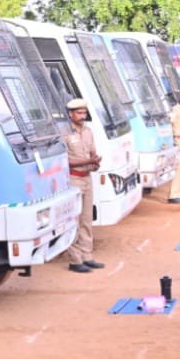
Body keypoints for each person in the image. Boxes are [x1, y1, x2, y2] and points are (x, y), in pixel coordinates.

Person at [63, 98, 104, 273]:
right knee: (74, 220)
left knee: (87, 219)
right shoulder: (64, 133)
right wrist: (88, 160)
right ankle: (75, 259)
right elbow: (65, 161)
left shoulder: (88, 131)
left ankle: (87, 255)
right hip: (73, 179)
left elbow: (93, 152)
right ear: (70, 114)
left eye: (84, 112)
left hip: (87, 178)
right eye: (79, 113)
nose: (82, 116)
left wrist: (95, 163)